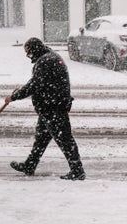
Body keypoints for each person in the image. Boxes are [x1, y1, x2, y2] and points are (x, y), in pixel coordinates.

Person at [5, 37, 85, 180]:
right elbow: (36, 81)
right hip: (51, 108)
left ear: (35, 49)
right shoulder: (49, 57)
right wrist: (19, 92)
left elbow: (34, 85)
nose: (29, 57)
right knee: (41, 139)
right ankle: (30, 165)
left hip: (53, 108)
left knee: (65, 141)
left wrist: (14, 97)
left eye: (29, 53)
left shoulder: (45, 61)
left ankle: (77, 171)